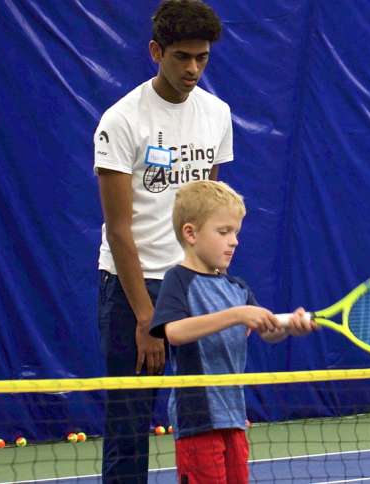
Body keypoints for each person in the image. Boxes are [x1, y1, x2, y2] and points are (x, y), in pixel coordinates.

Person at [92, 1, 230, 481]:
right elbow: (119, 228)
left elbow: (207, 211)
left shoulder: (217, 114)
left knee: (204, 421)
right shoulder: (121, 120)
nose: (193, 68)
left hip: (193, 289)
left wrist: (214, 283)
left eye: (202, 58)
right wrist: (147, 318)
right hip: (136, 292)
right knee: (129, 424)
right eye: (181, 57)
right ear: (156, 52)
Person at [150, 180, 317, 483]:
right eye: (223, 232)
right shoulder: (177, 280)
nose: (234, 241)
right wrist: (236, 315)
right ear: (191, 233)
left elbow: (265, 330)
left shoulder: (237, 288)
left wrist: (289, 327)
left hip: (235, 416)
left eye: (236, 232)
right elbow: (173, 332)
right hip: (197, 419)